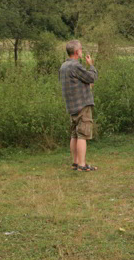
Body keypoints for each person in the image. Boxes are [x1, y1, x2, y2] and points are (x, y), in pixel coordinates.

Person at [59, 40, 98, 171]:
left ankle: (75, 163)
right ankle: (82, 165)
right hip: (82, 105)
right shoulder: (76, 66)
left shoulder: (63, 66)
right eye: (81, 49)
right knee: (82, 135)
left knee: (74, 134)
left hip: (71, 105)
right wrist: (91, 65)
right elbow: (91, 77)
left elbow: (75, 83)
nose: (82, 50)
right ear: (76, 52)